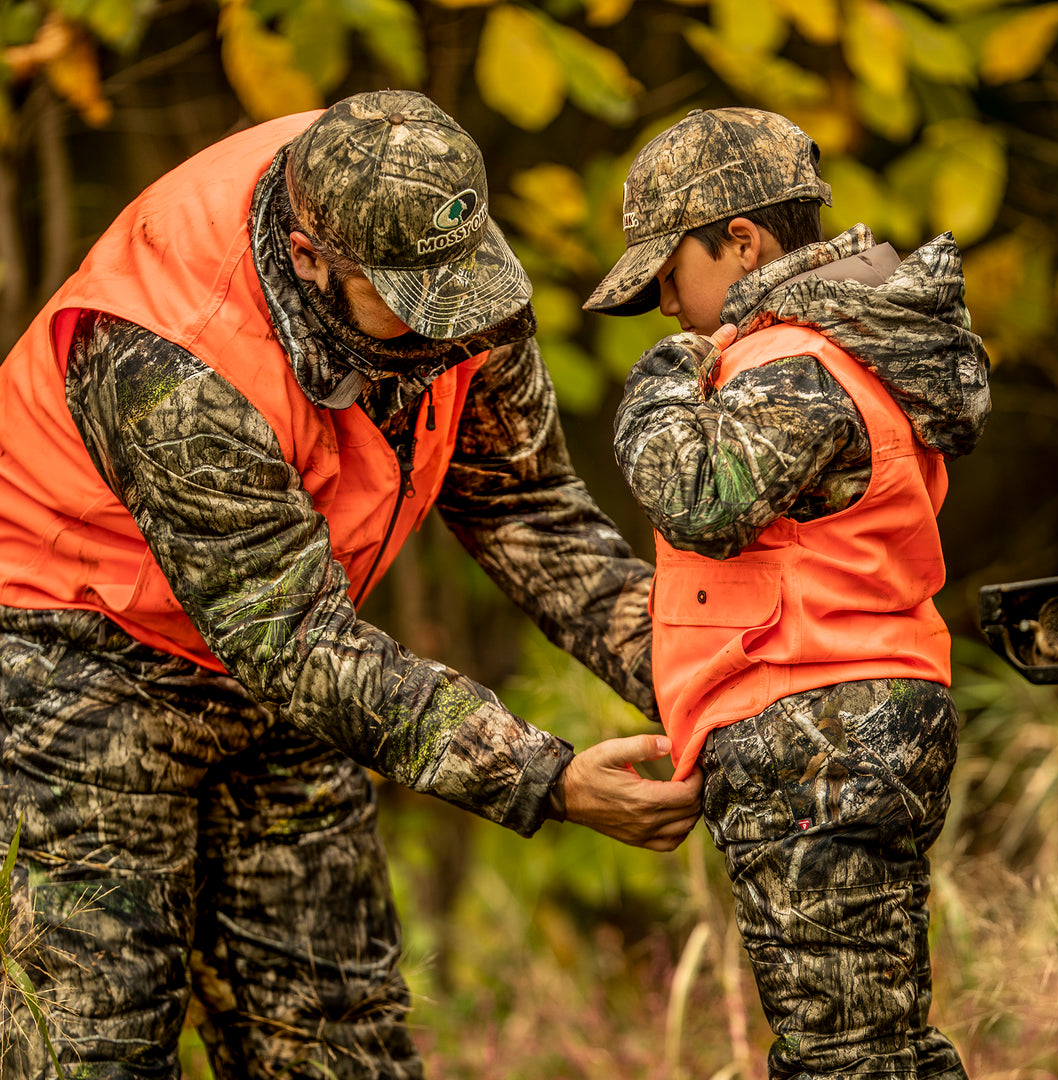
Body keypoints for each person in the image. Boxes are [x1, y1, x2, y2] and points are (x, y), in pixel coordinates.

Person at [0, 90, 702, 1076]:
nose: (453, 336)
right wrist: (544, 778)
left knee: (337, 1033)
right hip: (76, 652)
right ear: (309, 259)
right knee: (98, 1036)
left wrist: (705, 686)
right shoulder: (174, 359)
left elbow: (527, 510)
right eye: (414, 307)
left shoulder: (444, 261)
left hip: (289, 645)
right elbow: (297, 646)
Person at [584, 106, 991, 1079]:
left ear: (740, 240)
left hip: (817, 738)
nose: (670, 312)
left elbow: (701, 497)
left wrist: (660, 381)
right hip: (840, 730)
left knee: (844, 1060)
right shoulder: (824, 353)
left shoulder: (794, 360)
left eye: (667, 279)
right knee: (876, 1048)